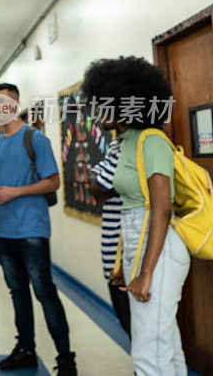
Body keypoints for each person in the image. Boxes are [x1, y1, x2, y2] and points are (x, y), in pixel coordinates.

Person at [0, 83, 77, 375]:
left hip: (32, 230)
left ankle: (66, 359)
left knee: (45, 292)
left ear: (16, 102)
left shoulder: (35, 139)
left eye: (5, 101)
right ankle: (26, 350)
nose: (0, 106)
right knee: (17, 292)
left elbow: (54, 181)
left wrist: (16, 192)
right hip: (3, 231)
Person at [82, 56, 188, 375]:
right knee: (165, 343)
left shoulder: (152, 140)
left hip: (161, 251)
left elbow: (161, 208)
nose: (96, 110)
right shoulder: (124, 143)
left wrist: (146, 271)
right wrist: (124, 266)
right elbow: (128, 208)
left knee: (147, 352)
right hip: (137, 246)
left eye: (102, 103)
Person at [89, 137, 131, 337]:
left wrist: (104, 182)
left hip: (127, 255)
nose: (99, 111)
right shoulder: (116, 145)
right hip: (115, 253)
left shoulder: (136, 145)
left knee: (136, 325)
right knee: (129, 323)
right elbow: (96, 187)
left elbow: (98, 187)